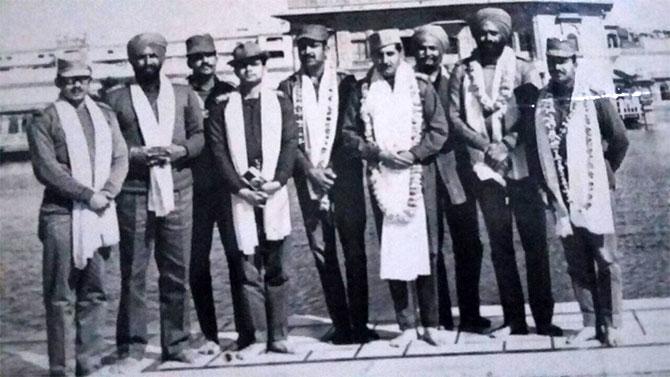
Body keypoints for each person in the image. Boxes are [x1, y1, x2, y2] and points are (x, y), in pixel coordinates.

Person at [447, 7, 562, 336]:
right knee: (500, 246)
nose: (487, 37)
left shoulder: (524, 68)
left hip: (522, 167)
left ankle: (543, 318)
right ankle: (514, 320)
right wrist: (486, 147)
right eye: (482, 32)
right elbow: (455, 117)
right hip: (485, 170)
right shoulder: (462, 71)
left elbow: (532, 111)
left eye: (494, 32)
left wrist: (507, 144)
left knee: (535, 244)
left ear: (505, 35)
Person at [342, 29, 452, 347]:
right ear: (372, 57)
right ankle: (406, 326)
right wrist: (376, 152)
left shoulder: (420, 86)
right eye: (379, 55)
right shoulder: (363, 90)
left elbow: (439, 129)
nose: (385, 60)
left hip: (418, 176)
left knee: (427, 248)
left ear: (400, 53)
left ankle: (430, 324)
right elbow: (349, 134)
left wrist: (412, 154)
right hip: (383, 177)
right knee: (393, 250)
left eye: (391, 53)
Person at [106, 32, 204, 370]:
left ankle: (176, 343)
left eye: (152, 56)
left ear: (162, 58)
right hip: (133, 193)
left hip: (178, 189)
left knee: (177, 272)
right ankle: (132, 348)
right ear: (132, 62)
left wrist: (182, 150)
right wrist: (133, 154)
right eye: (141, 58)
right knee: (133, 273)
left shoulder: (183, 95)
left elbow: (199, 136)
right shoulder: (116, 100)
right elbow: (108, 147)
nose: (147, 62)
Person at [27, 55, 128, 376]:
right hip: (61, 214)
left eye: (82, 78)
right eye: (69, 79)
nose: (76, 84)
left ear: (90, 81)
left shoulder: (105, 115)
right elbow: (47, 169)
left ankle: (90, 364)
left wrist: (109, 191)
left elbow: (120, 156)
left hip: (100, 211)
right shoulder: (45, 118)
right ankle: (62, 368)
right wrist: (87, 195)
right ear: (59, 82)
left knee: (95, 292)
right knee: (60, 296)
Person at [277, 24, 378, 344]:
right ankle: (341, 324)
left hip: (344, 178)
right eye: (303, 46)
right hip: (309, 181)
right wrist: (310, 170)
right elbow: (286, 138)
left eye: (314, 46)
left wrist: (330, 169)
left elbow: (351, 131)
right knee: (323, 253)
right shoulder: (287, 87)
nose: (308, 52)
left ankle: (360, 324)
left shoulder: (347, 84)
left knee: (355, 251)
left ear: (327, 48)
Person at [530, 38, 628, 346]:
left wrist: (605, 170)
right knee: (576, 260)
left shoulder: (594, 97)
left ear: (575, 61)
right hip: (560, 190)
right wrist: (545, 187)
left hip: (593, 187)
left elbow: (620, 139)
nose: (557, 66)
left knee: (604, 255)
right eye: (552, 61)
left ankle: (612, 323)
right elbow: (536, 151)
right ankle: (589, 321)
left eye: (564, 60)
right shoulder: (542, 102)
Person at [207, 42, 298, 355]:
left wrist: (278, 181)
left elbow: (289, 144)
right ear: (236, 70)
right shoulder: (221, 107)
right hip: (240, 196)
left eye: (254, 64)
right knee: (247, 268)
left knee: (278, 266)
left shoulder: (281, 103)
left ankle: (280, 335)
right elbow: (218, 153)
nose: (248, 69)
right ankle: (258, 337)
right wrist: (240, 188)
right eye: (242, 65)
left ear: (263, 66)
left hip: (274, 192)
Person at [411, 24, 484, 332]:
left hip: (457, 173)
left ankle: (469, 313)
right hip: (422, 172)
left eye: (433, 48)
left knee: (469, 243)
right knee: (430, 247)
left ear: (443, 52)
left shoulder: (456, 79)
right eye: (423, 48)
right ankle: (437, 317)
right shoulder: (406, 83)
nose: (428, 53)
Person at [183, 33, 244, 355]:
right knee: (197, 265)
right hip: (193, 191)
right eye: (197, 57)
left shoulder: (229, 92)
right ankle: (209, 335)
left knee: (238, 258)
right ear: (189, 62)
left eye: (209, 56)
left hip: (227, 188)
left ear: (216, 59)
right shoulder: (181, 95)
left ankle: (246, 333)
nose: (204, 62)